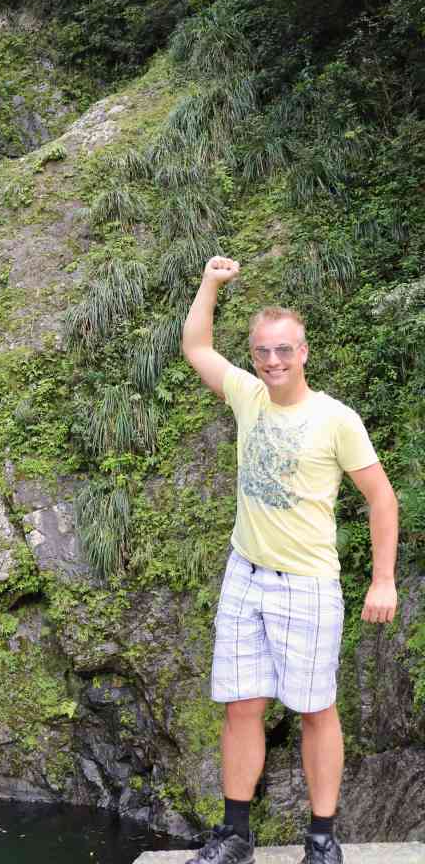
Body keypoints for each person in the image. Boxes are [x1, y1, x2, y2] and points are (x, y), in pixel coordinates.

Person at [181, 255, 398, 864]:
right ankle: (235, 836)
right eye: (262, 351)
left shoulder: (335, 419)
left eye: (283, 350)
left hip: (308, 584)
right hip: (245, 575)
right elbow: (196, 345)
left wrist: (383, 579)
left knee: (315, 711)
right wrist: (210, 283)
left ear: (303, 352)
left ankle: (322, 840)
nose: (272, 361)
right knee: (242, 707)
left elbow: (381, 497)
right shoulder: (247, 396)